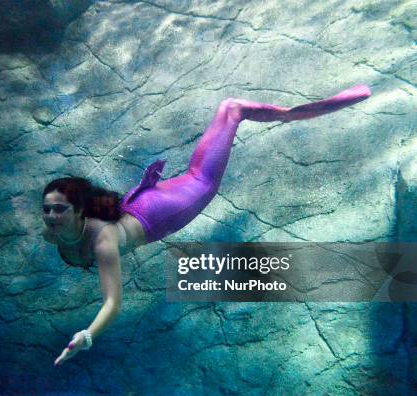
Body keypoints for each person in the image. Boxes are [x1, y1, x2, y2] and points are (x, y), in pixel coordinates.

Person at [43, 84, 372, 366]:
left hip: (169, 207)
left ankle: (296, 113)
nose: (51, 217)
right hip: (141, 204)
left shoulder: (103, 244)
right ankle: (297, 110)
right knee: (223, 119)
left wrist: (86, 337)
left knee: (231, 111)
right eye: (47, 210)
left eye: (59, 210)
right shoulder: (55, 233)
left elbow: (113, 303)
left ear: (79, 212)